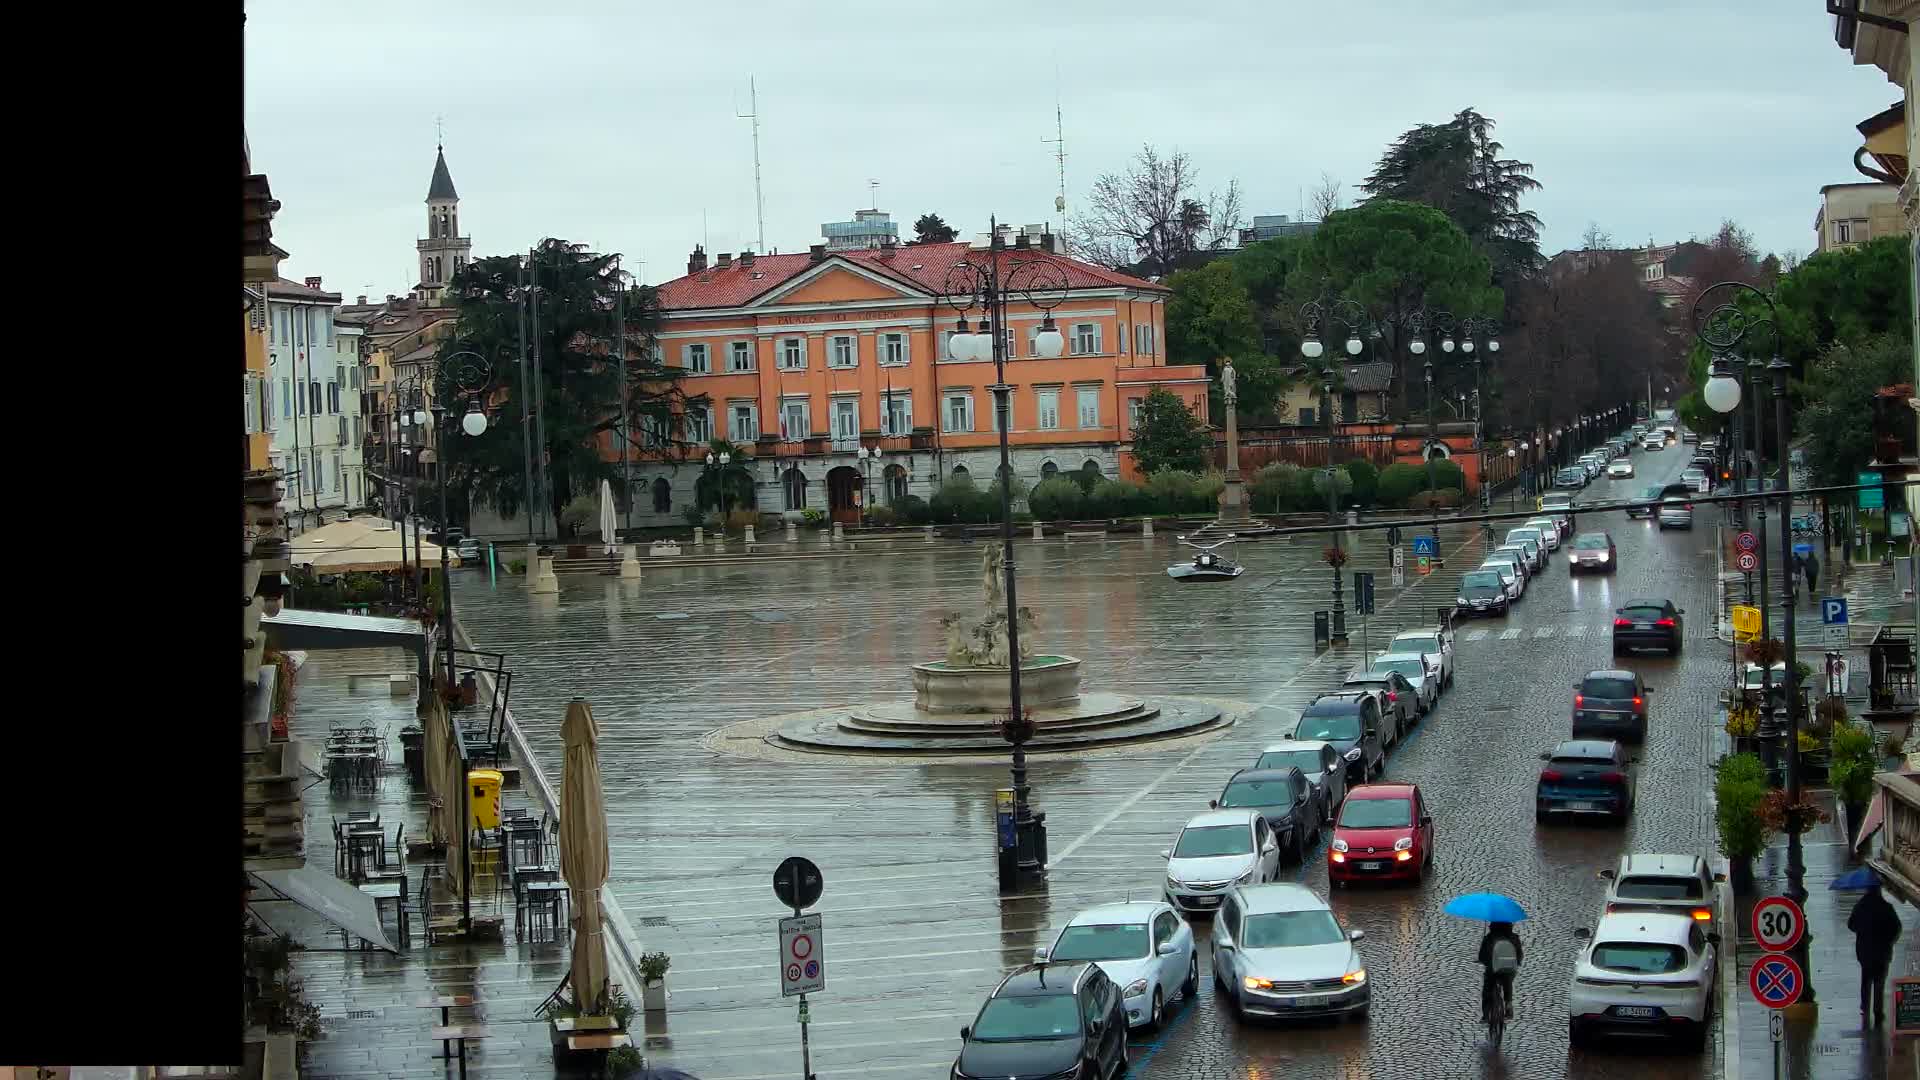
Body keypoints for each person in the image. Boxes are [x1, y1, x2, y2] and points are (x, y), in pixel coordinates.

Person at [1849, 875, 1903, 1024]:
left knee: (1866, 979)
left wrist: (1862, 930)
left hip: (1864, 951)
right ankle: (1878, 1011)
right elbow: (1896, 927)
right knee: (1879, 981)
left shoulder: (1860, 906)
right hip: (1882, 951)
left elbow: (1851, 925)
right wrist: (1890, 941)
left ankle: (1865, 1006)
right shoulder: (1886, 907)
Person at [1478, 920, 1523, 1020]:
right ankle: (1508, 1005)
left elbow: (1482, 956)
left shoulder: (1489, 937)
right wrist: (1517, 962)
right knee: (1508, 982)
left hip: (1493, 969)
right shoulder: (1514, 938)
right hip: (1509, 969)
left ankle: (1486, 1014)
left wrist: (1484, 961)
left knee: (1487, 987)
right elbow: (1519, 955)